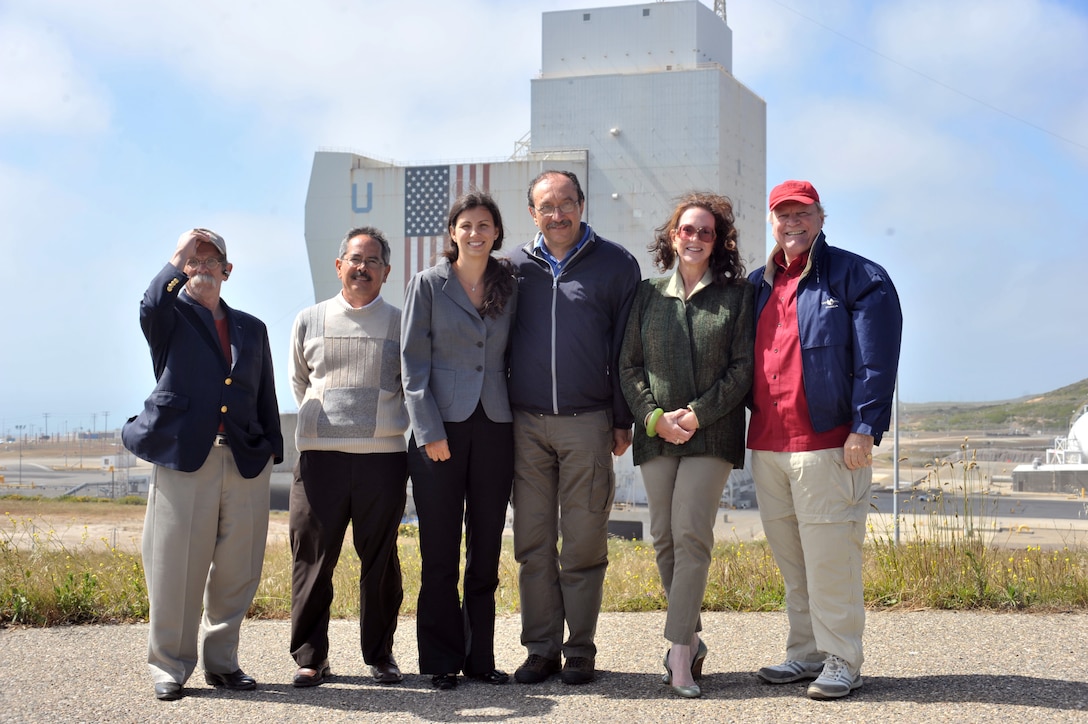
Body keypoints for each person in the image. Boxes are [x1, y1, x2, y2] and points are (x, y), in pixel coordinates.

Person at [748, 180, 902, 700]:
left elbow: (876, 359)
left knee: (830, 559)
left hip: (829, 445)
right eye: (783, 215)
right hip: (768, 445)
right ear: (771, 221)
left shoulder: (858, 276)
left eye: (803, 214)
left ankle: (842, 660)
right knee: (794, 561)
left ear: (820, 217)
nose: (793, 223)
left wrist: (865, 426)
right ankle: (806, 653)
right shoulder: (758, 284)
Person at [122, 228, 283, 702]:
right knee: (176, 567)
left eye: (213, 260)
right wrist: (178, 253)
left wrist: (270, 446)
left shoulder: (251, 328)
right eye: (195, 260)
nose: (203, 266)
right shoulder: (169, 317)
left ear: (228, 272)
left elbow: (265, 391)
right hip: (185, 458)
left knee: (238, 570)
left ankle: (223, 662)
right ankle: (169, 666)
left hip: (241, 459)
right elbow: (150, 303)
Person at [507, 169, 642, 685]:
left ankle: (579, 649)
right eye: (547, 206)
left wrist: (621, 416)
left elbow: (626, 348)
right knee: (533, 542)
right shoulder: (514, 266)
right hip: (525, 424)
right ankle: (541, 648)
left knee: (584, 540)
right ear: (532, 213)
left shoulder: (615, 264)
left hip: (589, 423)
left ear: (582, 205)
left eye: (567, 203)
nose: (558, 214)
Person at [618, 192, 754, 698]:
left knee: (691, 534)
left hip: (711, 434)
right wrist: (655, 418)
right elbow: (629, 366)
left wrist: (696, 414)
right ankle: (693, 640)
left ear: (718, 242)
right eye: (686, 229)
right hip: (655, 433)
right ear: (672, 235)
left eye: (706, 232)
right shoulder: (646, 293)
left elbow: (743, 369)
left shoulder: (736, 297)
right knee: (663, 538)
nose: (694, 238)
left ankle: (677, 653)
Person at [402, 191, 518, 690]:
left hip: (495, 425)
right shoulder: (427, 284)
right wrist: (429, 431)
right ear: (452, 232)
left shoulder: (509, 283)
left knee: (487, 548)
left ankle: (480, 657)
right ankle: (440, 660)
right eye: (466, 225)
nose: (476, 233)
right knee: (440, 550)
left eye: (485, 225)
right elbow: (411, 363)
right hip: (439, 432)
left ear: (497, 233)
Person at [286, 227, 409, 689]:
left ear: (386, 272)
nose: (363, 267)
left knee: (380, 561)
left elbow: (408, 384)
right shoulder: (308, 319)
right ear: (339, 266)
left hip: (383, 459)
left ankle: (380, 656)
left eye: (373, 261)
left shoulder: (401, 322)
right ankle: (311, 657)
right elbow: (301, 383)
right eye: (355, 259)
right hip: (320, 460)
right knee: (312, 559)